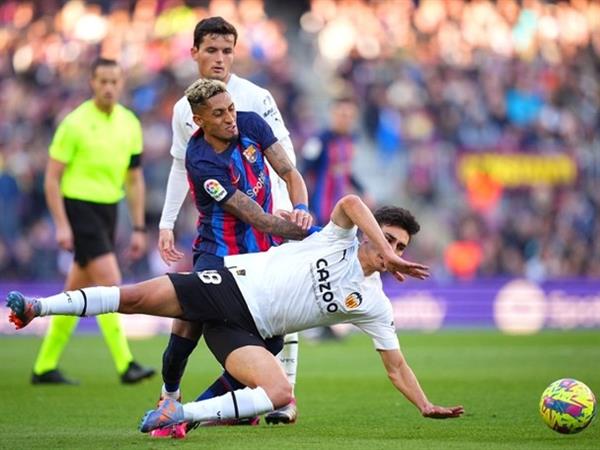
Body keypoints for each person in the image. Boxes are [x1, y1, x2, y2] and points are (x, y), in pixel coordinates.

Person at [7, 195, 465, 431]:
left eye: (401, 247)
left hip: (249, 330)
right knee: (135, 299)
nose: (393, 251)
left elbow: (396, 365)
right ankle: (36, 307)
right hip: (228, 287)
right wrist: (377, 237)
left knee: (280, 393)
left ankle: (177, 414)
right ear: (371, 235)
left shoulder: (373, 303)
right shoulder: (338, 237)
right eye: (389, 239)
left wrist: (425, 405)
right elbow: (349, 205)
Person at [157, 17, 304, 429]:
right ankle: (175, 395)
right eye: (212, 50)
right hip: (218, 232)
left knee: (278, 318)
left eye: (227, 51)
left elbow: (284, 154)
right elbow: (178, 166)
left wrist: (285, 210)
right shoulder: (183, 110)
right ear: (195, 54)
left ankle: (281, 397)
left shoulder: (255, 99)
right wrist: (167, 222)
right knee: (192, 313)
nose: (220, 59)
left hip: (265, 224)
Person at [32, 57, 155, 385]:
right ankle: (125, 363)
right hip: (79, 207)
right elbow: (51, 179)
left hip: (109, 210)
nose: (109, 87)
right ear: (92, 83)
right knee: (110, 283)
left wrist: (140, 227)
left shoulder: (130, 123)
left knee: (77, 288)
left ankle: (44, 366)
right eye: (102, 80)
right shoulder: (74, 123)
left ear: (121, 84)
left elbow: (134, 179)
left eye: (114, 81)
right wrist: (61, 224)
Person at [302, 95, 369, 226]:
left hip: (339, 206)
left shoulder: (352, 140)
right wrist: (307, 208)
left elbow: (346, 171)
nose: (347, 120)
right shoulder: (319, 140)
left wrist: (362, 190)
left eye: (351, 116)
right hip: (319, 208)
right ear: (332, 114)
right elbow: (303, 172)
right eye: (343, 115)